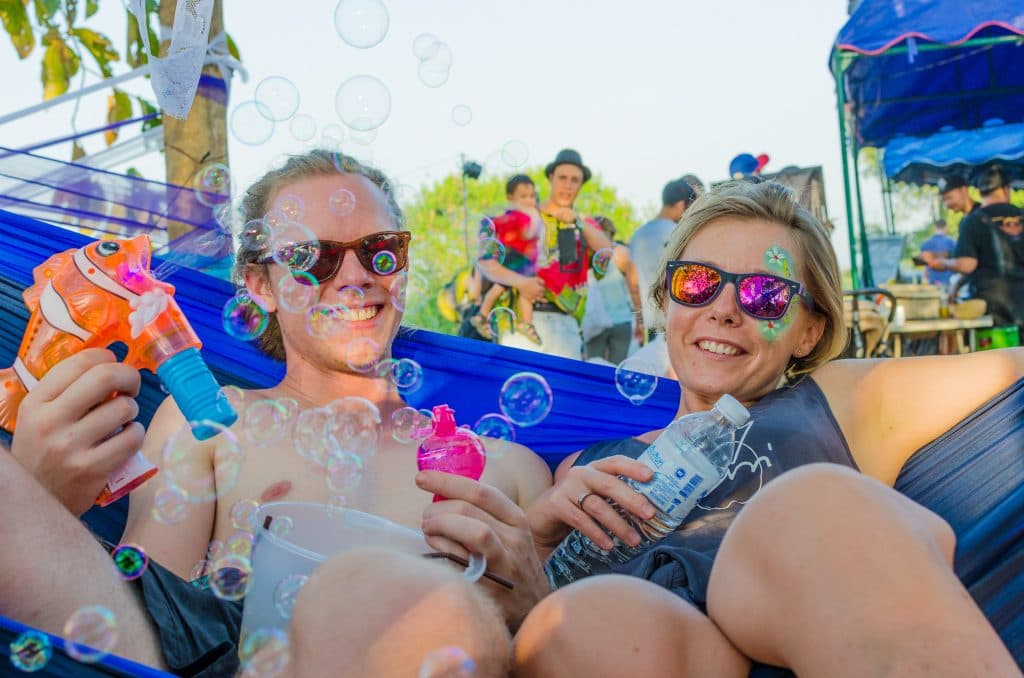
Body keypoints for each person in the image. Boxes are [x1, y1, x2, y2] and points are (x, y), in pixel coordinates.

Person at [1, 150, 553, 676]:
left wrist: (535, 604)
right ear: (260, 285)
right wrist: (39, 498)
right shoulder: (211, 427)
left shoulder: (512, 469)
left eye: (380, 247)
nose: (355, 275)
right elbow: (144, 633)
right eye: (313, 258)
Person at [512, 179, 1023, 675]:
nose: (724, 310)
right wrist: (532, 552)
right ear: (666, 299)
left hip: (792, 623)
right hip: (628, 645)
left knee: (811, 503)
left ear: (809, 331)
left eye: (765, 295)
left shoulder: (843, 400)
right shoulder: (587, 467)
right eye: (696, 282)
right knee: (583, 619)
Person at [477, 149, 613, 360]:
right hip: (521, 323)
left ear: (581, 185)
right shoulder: (526, 215)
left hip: (565, 326)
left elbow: (606, 251)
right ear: (550, 178)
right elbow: (488, 260)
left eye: (575, 180)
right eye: (562, 178)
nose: (568, 185)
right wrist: (522, 282)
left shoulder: (585, 224)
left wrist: (576, 220)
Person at [926, 165, 1024, 333]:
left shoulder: (973, 221)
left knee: (998, 358)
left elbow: (967, 265)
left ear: (978, 192)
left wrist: (941, 262)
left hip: (994, 306)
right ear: (1006, 190)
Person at [471, 175, 544, 344]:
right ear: (511, 198)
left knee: (523, 289)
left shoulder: (508, 216)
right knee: (501, 287)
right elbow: (529, 233)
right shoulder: (521, 216)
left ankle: (526, 322)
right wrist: (535, 217)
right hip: (513, 256)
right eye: (523, 196)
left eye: (532, 196)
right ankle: (483, 314)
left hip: (522, 259)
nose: (529, 201)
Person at [582, 216, 641, 364]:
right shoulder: (622, 254)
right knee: (615, 372)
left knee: (593, 369)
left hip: (596, 321)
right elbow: (634, 288)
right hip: (620, 321)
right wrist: (640, 320)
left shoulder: (584, 255)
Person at [918, 219, 957, 288]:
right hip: (949, 281)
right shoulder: (952, 243)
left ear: (935, 227)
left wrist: (924, 278)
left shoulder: (925, 244)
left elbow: (925, 264)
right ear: (946, 227)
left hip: (932, 281)